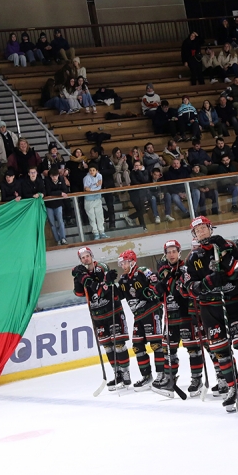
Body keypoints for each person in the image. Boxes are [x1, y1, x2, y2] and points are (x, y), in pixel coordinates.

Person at [181, 216, 238, 411]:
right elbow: (189, 287)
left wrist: (224, 253)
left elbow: (236, 269)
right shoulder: (192, 257)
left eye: (202, 228)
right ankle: (234, 388)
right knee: (221, 351)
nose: (200, 232)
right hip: (209, 309)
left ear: (210, 228)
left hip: (233, 304)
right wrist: (207, 282)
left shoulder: (227, 245)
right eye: (196, 230)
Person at [151, 240, 206, 396]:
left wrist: (169, 281)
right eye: (168, 252)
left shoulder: (185, 267)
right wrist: (158, 290)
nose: (171, 254)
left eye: (174, 251)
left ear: (179, 252)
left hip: (186, 315)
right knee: (168, 350)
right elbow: (161, 296)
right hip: (170, 316)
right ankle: (169, 380)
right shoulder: (164, 271)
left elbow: (184, 289)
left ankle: (197, 380)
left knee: (193, 349)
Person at [72, 247, 131, 390]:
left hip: (113, 312)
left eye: (87, 256)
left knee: (118, 344)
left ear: (92, 256)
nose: (86, 259)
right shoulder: (82, 273)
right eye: (83, 258)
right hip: (98, 316)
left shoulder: (101, 268)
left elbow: (101, 288)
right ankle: (117, 373)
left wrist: (84, 278)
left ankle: (126, 373)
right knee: (108, 346)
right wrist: (78, 278)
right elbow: (79, 293)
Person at [108, 250, 165, 391]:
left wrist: (150, 292)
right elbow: (118, 296)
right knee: (137, 347)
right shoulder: (123, 279)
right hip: (138, 316)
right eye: (121, 263)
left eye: (125, 262)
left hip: (152, 311)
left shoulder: (143, 271)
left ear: (132, 261)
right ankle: (147, 376)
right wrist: (109, 283)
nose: (123, 265)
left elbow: (155, 282)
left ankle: (161, 375)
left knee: (156, 344)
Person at [128, 160, 156, 230]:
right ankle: (143, 227)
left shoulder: (145, 172)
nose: (136, 167)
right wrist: (140, 180)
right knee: (141, 209)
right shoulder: (132, 173)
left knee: (144, 209)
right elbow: (135, 182)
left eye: (137, 165)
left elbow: (145, 180)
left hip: (143, 194)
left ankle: (131, 218)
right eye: (135, 166)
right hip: (135, 194)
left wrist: (138, 172)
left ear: (141, 166)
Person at [44, 169, 69, 245]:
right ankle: (57, 239)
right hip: (49, 205)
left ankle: (63, 238)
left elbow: (65, 190)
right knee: (52, 223)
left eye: (56, 176)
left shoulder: (61, 179)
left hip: (58, 204)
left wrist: (60, 193)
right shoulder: (47, 180)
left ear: (58, 175)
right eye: (52, 176)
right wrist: (60, 193)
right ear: (50, 176)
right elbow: (49, 192)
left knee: (60, 221)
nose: (54, 178)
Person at [83, 165, 107, 240]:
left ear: (96, 171)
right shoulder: (86, 178)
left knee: (99, 216)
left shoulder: (99, 176)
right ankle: (95, 233)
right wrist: (96, 185)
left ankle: (102, 231)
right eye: (90, 170)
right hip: (89, 199)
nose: (92, 172)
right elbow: (87, 189)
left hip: (97, 198)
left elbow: (99, 186)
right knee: (92, 217)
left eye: (93, 170)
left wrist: (93, 187)